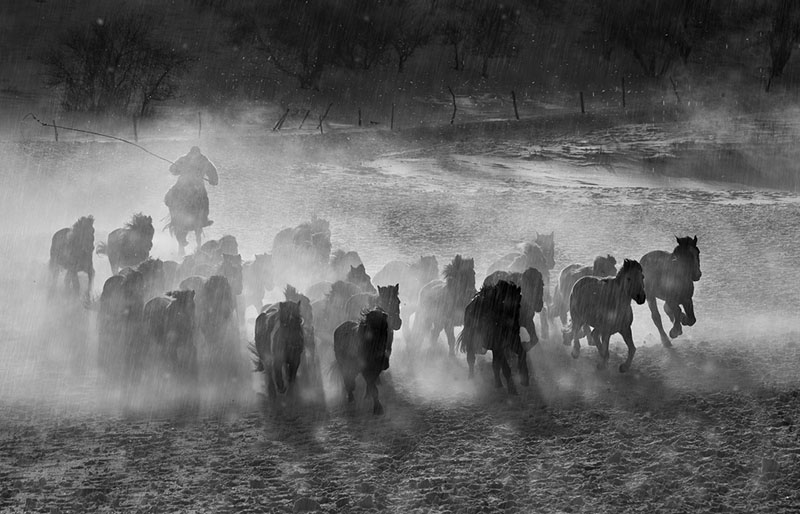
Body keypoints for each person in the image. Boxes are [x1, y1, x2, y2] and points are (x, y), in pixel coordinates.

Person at [164, 146, 218, 230]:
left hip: (185, 185)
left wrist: (213, 180)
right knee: (204, 201)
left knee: (204, 200)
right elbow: (172, 169)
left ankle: (201, 219)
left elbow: (172, 170)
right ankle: (203, 219)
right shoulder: (203, 161)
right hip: (194, 186)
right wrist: (213, 180)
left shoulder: (186, 159)